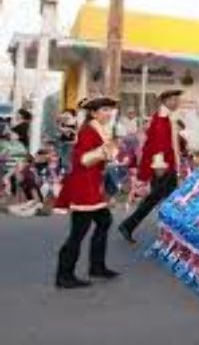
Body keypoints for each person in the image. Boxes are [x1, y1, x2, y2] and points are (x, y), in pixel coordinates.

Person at [54, 96, 120, 289]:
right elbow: (83, 159)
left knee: (104, 221)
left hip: (92, 184)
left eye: (109, 110)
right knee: (78, 232)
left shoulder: (97, 129)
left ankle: (96, 266)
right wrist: (105, 152)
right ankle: (64, 275)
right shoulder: (88, 131)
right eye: (104, 110)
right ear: (93, 113)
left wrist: (108, 151)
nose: (109, 113)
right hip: (84, 186)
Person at [118, 90, 182, 244]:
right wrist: (160, 165)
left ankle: (167, 232)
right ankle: (129, 225)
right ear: (165, 101)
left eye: (177, 99)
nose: (176, 102)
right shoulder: (161, 118)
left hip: (167, 164)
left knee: (163, 199)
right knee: (159, 199)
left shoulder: (166, 117)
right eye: (173, 99)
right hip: (163, 166)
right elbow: (158, 144)